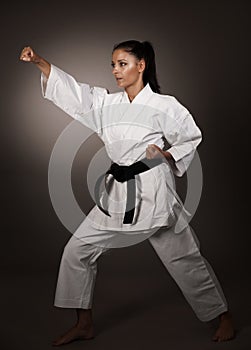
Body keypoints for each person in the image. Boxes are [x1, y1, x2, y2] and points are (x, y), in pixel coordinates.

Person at [20, 40, 235, 345]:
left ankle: (223, 316)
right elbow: (76, 94)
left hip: (153, 192)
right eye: (113, 65)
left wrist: (167, 155)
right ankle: (84, 323)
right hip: (118, 193)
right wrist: (40, 62)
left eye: (122, 64)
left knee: (184, 259)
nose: (115, 71)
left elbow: (191, 136)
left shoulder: (165, 105)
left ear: (141, 65)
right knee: (76, 252)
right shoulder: (108, 104)